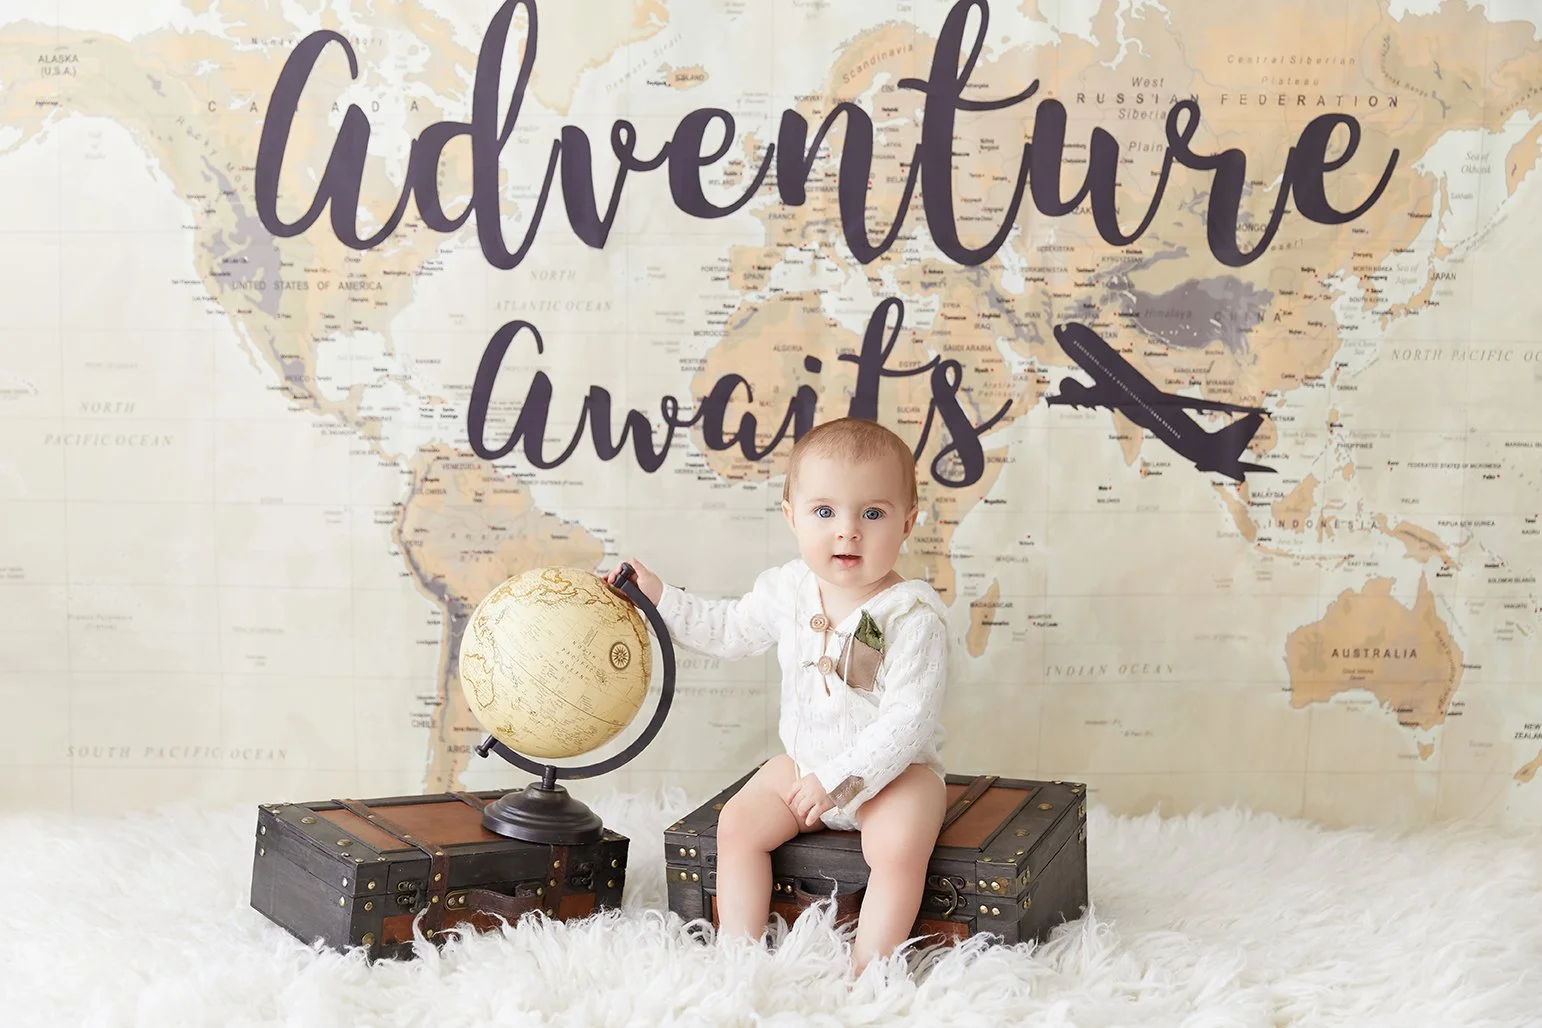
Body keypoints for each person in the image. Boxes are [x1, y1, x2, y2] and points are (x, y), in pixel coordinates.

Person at [606, 416, 952, 974]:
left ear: (907, 522)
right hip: (803, 764)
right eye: (824, 512)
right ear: (791, 515)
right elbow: (724, 630)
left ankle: (870, 971)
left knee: (897, 844)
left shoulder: (910, 617)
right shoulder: (786, 589)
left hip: (889, 775)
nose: (848, 531)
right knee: (738, 824)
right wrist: (659, 597)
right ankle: (737, 957)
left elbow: (905, 724)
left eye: (872, 513)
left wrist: (838, 782)